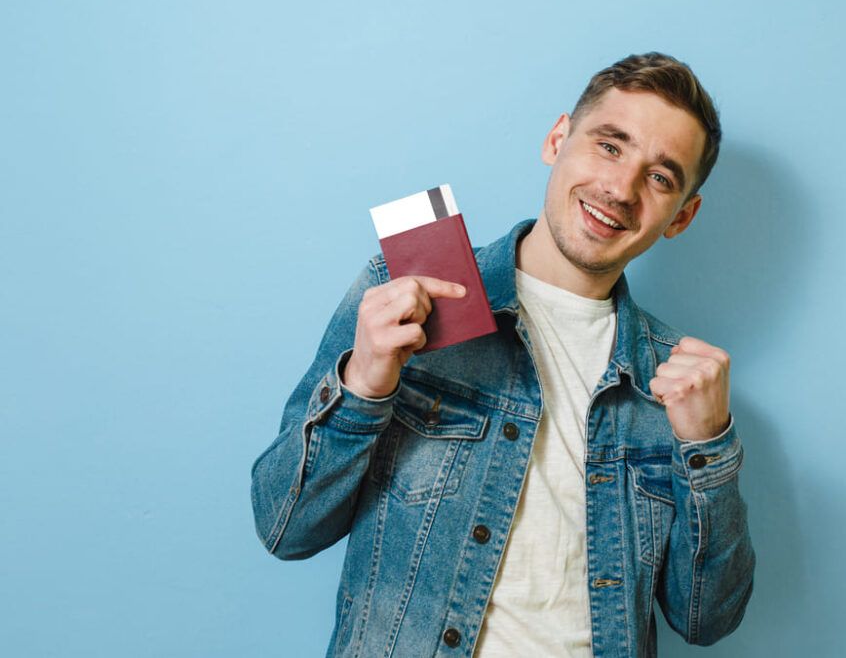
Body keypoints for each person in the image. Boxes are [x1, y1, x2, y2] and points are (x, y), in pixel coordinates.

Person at [251, 52, 756, 657]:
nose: (620, 189)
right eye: (610, 145)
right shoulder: (405, 297)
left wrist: (709, 448)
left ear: (682, 216)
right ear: (557, 139)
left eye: (660, 177)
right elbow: (286, 526)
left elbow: (707, 621)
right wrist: (364, 383)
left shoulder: (678, 383)